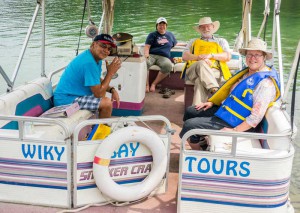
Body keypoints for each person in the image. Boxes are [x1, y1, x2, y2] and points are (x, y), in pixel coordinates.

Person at [179, 38, 281, 150]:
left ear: (264, 57)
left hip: (237, 122)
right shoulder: (247, 73)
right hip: (228, 111)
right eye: (249, 54)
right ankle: (200, 140)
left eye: (257, 55)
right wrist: (212, 103)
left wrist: (234, 130)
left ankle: (198, 152)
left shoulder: (265, 84)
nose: (252, 58)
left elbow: (255, 119)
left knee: (189, 125)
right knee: (190, 111)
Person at [54, 34, 121, 118]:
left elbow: (95, 80)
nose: (106, 51)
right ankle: (103, 129)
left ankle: (97, 126)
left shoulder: (95, 58)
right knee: (107, 103)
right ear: (93, 45)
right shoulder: (89, 62)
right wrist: (110, 73)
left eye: (109, 49)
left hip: (74, 95)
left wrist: (111, 89)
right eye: (103, 46)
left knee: (103, 92)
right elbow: (98, 94)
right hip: (66, 99)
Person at [182, 17, 232, 105]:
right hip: (193, 70)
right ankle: (216, 92)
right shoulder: (193, 41)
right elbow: (185, 56)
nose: (206, 29)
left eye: (208, 26)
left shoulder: (221, 41)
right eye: (203, 27)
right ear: (199, 29)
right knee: (201, 63)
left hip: (213, 71)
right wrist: (199, 58)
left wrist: (211, 55)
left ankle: (195, 111)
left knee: (199, 81)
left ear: (213, 27)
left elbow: (227, 56)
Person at [144, 17, 177, 92]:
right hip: (152, 55)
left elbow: (175, 43)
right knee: (144, 63)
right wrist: (146, 55)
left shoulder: (170, 35)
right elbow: (147, 47)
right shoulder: (152, 35)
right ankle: (146, 85)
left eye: (164, 24)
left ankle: (154, 84)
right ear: (157, 25)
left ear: (166, 26)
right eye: (160, 24)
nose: (162, 26)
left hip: (163, 57)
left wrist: (186, 45)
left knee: (168, 66)